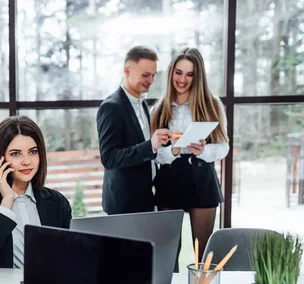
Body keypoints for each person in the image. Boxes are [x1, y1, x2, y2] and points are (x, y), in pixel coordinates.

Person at [151, 47, 229, 267]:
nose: (182, 79)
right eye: (178, 72)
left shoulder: (212, 104)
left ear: (198, 76)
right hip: (169, 181)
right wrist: (174, 150)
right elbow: (154, 155)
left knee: (203, 253)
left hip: (202, 178)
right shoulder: (159, 108)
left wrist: (203, 150)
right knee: (168, 251)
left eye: (189, 74)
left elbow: (223, 148)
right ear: (171, 73)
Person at [0, 116, 72, 269]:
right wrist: (7, 202)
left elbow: (69, 257)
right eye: (15, 154)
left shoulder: (58, 202)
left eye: (32, 152)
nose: (27, 161)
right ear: (0, 159)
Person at [96, 45, 171, 215]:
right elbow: (109, 158)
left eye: (153, 75)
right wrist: (150, 146)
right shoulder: (111, 107)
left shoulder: (143, 102)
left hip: (145, 197)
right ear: (127, 71)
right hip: (124, 202)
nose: (151, 80)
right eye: (145, 75)